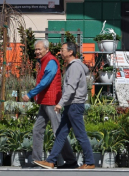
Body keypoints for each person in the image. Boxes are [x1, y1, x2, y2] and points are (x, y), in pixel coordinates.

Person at [35, 42, 95, 169]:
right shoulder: (72, 66)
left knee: (80, 134)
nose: (60, 52)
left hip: (74, 105)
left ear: (70, 52)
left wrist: (60, 103)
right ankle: (51, 161)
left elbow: (71, 88)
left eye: (62, 50)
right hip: (70, 105)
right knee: (61, 134)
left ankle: (89, 162)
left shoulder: (74, 67)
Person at [22, 39, 77, 169]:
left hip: (52, 101)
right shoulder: (44, 61)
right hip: (45, 101)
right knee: (37, 129)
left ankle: (71, 161)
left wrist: (30, 94)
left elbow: (46, 81)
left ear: (46, 49)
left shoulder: (51, 61)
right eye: (35, 49)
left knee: (58, 131)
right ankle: (36, 160)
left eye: (39, 49)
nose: (37, 51)